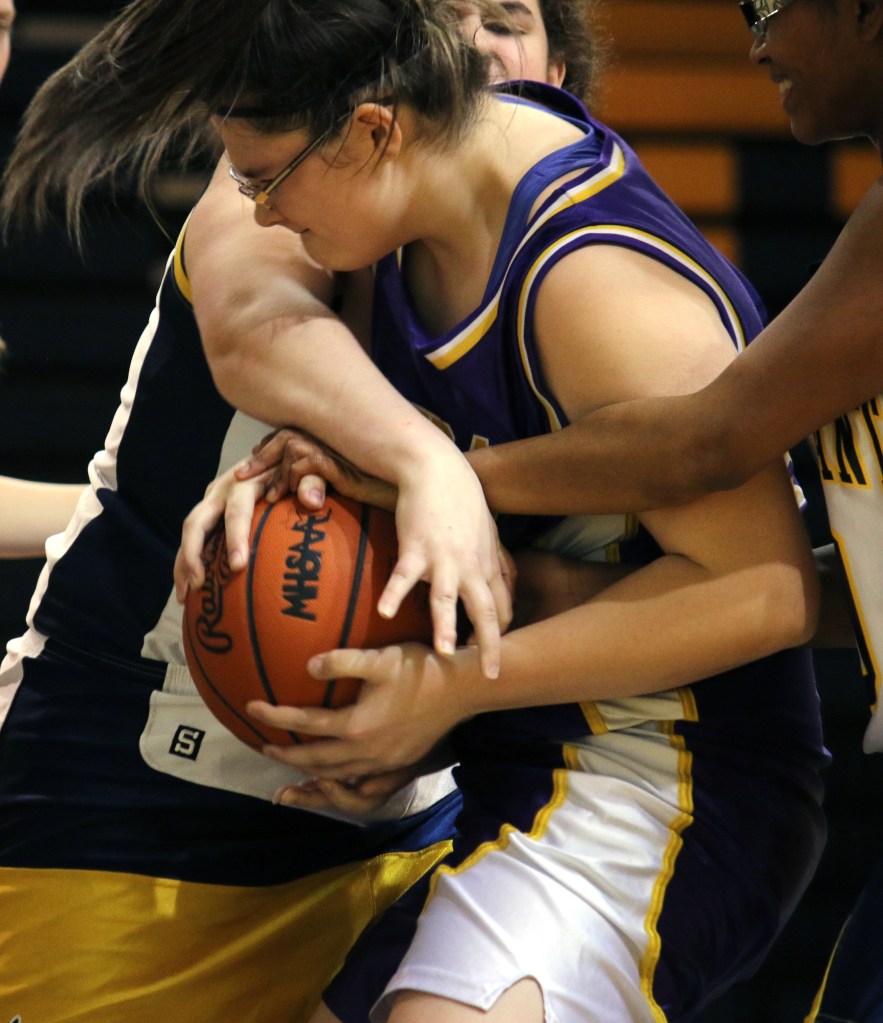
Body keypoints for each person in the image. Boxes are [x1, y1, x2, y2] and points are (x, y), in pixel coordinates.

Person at [19, 2, 836, 1021]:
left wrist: (451, 683)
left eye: (267, 179)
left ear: (372, 129)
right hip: (503, 762)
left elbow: (766, 596)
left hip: (658, 774)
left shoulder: (593, 284)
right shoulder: (394, 217)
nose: (259, 212)